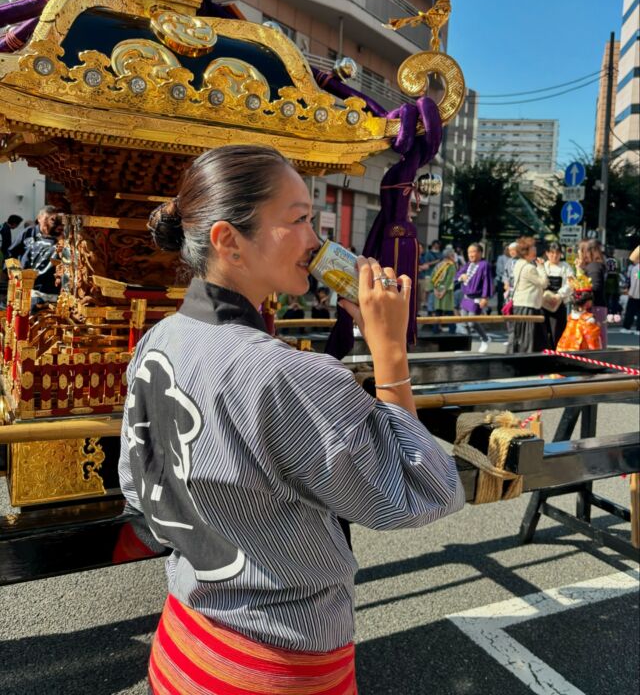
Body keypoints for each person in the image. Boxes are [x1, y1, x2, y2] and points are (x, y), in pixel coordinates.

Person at [120, 145, 464, 694]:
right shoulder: (287, 375)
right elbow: (422, 489)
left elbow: (137, 492)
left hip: (185, 640)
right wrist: (390, 354)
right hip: (277, 665)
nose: (317, 240)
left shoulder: (159, 340)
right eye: (299, 220)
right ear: (228, 240)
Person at [8, 205, 61, 307]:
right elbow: (11, 253)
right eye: (47, 219)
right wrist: (16, 275)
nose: (50, 223)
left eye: (53, 220)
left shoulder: (59, 238)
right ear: (39, 218)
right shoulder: (28, 233)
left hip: (51, 290)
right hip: (27, 287)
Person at [509, 236, 549, 353]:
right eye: (533, 248)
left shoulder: (518, 264)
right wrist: (541, 267)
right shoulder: (529, 268)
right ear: (527, 251)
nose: (535, 250)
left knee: (520, 336)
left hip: (520, 304)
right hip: (528, 306)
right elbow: (544, 283)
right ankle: (528, 359)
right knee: (529, 338)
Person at [455, 242, 493, 352]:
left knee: (472, 322)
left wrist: (485, 297)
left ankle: (485, 339)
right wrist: (461, 276)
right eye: (469, 252)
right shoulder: (468, 264)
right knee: (463, 323)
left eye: (473, 252)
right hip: (466, 297)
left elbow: (487, 281)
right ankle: (465, 345)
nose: (471, 254)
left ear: (480, 253)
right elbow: (457, 275)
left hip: (477, 298)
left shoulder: (484, 265)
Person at [556, 273, 602, 352]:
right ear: (587, 303)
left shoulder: (571, 317)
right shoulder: (589, 319)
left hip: (566, 348)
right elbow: (592, 341)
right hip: (582, 351)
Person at [576, 238, 608, 348]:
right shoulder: (593, 266)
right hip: (596, 307)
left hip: (594, 308)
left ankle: (596, 363)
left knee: (594, 342)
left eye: (580, 250)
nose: (578, 252)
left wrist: (580, 294)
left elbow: (595, 287)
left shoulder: (594, 266)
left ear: (588, 251)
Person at [541, 242, 572, 348]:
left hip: (559, 304)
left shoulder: (565, 267)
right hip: (544, 305)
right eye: (552, 253)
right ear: (547, 253)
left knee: (557, 333)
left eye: (557, 253)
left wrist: (559, 295)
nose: (554, 256)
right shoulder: (543, 266)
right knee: (544, 333)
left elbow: (571, 283)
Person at [431, 246, 457, 333]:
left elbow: (433, 278)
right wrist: (443, 291)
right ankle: (452, 329)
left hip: (437, 289)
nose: (454, 256)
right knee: (449, 311)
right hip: (446, 291)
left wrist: (435, 290)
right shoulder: (451, 265)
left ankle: (435, 329)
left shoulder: (439, 265)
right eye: (453, 254)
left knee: (438, 311)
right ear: (450, 256)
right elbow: (449, 280)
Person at [621, 255, 640, 333]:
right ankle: (638, 329)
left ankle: (627, 327)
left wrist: (631, 291)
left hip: (635, 293)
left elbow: (636, 281)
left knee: (630, 311)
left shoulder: (636, 268)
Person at [604, 246, 621, 316]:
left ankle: (607, 313)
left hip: (607, 283)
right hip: (614, 282)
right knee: (614, 299)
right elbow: (619, 271)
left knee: (607, 299)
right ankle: (614, 312)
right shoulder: (617, 260)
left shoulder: (604, 260)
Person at [495, 244, 510, 313]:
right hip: (501, 281)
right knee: (501, 298)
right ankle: (499, 312)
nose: (508, 251)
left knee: (508, 298)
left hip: (510, 282)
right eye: (507, 249)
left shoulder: (513, 259)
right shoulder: (500, 258)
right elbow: (500, 270)